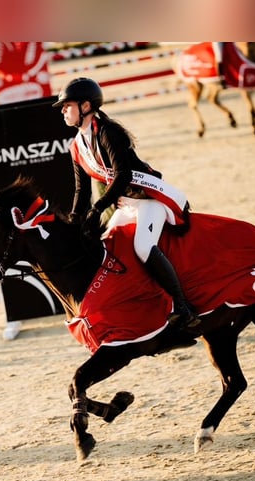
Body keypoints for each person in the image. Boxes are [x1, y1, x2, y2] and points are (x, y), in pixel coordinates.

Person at [53, 77, 198, 329]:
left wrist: (98, 208)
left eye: (67, 105)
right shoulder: (77, 146)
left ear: (86, 106)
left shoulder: (110, 133)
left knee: (142, 246)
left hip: (149, 199)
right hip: (126, 205)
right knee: (110, 247)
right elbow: (81, 189)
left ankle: (183, 307)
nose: (63, 110)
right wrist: (74, 219)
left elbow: (124, 176)